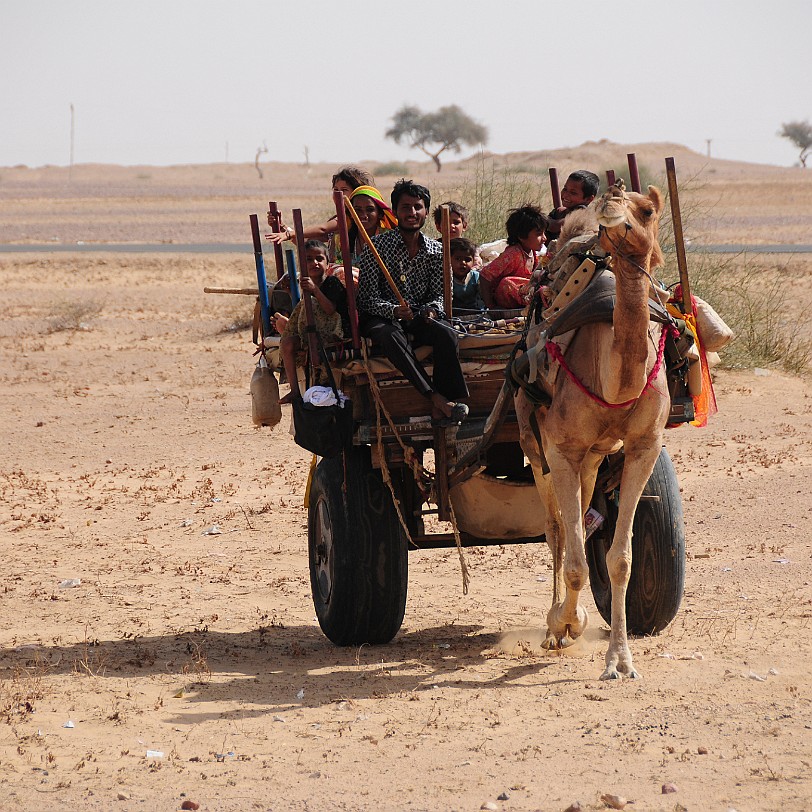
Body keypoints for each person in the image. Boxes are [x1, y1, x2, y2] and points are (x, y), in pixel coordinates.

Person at [357, 179, 469, 426]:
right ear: (395, 211)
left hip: (419, 317)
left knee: (446, 332)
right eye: (405, 207)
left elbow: (442, 296)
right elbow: (365, 299)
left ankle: (452, 401)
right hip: (384, 318)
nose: (412, 213)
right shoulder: (377, 247)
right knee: (388, 334)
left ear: (426, 212)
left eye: (418, 207)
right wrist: (394, 310)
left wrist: (432, 310)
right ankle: (435, 397)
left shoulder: (437, 251)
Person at [278, 240, 348, 404]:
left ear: (327, 262)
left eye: (319, 259)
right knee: (287, 344)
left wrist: (314, 290)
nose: (314, 263)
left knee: (311, 303)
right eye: (309, 259)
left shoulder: (331, 282)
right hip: (309, 332)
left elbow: (330, 310)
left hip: (333, 331)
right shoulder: (305, 284)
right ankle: (294, 390)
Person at [265, 166, 375, 258]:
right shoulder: (336, 221)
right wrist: (283, 226)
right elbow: (308, 243)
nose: (338, 194)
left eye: (344, 190)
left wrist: (288, 234)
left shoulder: (351, 219)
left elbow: (322, 229)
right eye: (335, 190)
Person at [479, 204, 548, 310]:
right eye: (539, 234)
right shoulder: (512, 255)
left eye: (544, 233)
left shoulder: (533, 254)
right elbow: (484, 276)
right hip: (503, 301)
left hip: (522, 296)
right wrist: (490, 306)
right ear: (522, 236)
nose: (544, 238)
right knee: (507, 283)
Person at [545, 170, 599, 243]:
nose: (565, 195)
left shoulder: (583, 214)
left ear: (588, 199)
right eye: (565, 189)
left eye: (573, 193)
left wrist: (539, 217)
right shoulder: (559, 212)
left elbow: (554, 226)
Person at [432, 200, 482, 268]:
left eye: (456, 222)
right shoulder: (433, 247)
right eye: (446, 222)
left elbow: (476, 266)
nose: (451, 226)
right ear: (438, 227)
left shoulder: (470, 248)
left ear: (464, 226)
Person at [449, 237, 483, 311]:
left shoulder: (476, 277)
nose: (463, 263)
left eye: (467, 260)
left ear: (473, 261)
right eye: (458, 259)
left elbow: (481, 300)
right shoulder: (445, 279)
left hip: (474, 313)